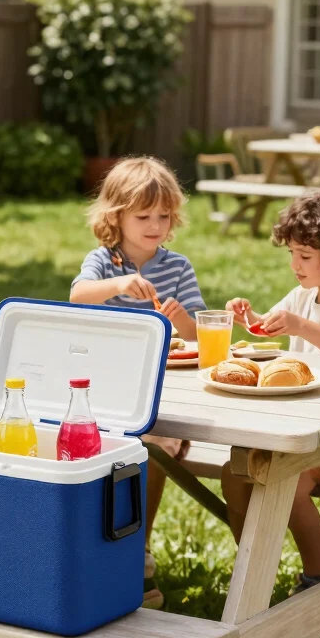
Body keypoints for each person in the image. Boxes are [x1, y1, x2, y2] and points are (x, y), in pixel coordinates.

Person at [70, 156, 206, 608]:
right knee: (110, 452)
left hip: (164, 387)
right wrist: (120, 283)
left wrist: (183, 319)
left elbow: (201, 336)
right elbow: (76, 294)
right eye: (143, 216)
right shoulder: (104, 262)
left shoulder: (178, 267)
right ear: (116, 217)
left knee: (151, 449)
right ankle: (104, 553)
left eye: (163, 216)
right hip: (109, 387)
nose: (155, 226)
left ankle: (135, 552)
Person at [223, 187, 320, 593]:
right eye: (292, 255)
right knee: (235, 476)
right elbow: (271, 324)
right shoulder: (303, 296)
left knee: (290, 483)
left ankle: (316, 576)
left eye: (305, 256)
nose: (294, 265)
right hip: (297, 424)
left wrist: (301, 327)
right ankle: (254, 569)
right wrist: (251, 320)